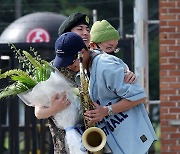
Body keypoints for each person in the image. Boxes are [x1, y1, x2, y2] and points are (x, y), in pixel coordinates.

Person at [53, 32, 157, 154]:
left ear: (82, 52)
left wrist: (106, 111)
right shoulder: (84, 71)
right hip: (115, 143)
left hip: (133, 143)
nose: (68, 67)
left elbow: (138, 97)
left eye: (70, 62)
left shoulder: (106, 66)